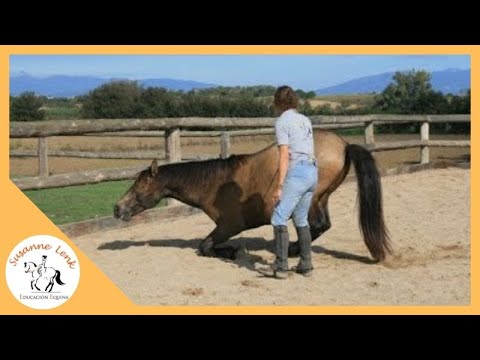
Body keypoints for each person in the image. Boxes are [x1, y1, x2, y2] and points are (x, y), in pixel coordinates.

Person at [258, 86, 318, 279]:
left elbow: (284, 155)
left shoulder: (282, 122)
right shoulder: (305, 120)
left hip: (298, 172)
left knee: (278, 217)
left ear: (277, 102)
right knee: (301, 219)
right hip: (312, 170)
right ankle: (306, 264)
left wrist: (280, 186)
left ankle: (281, 266)